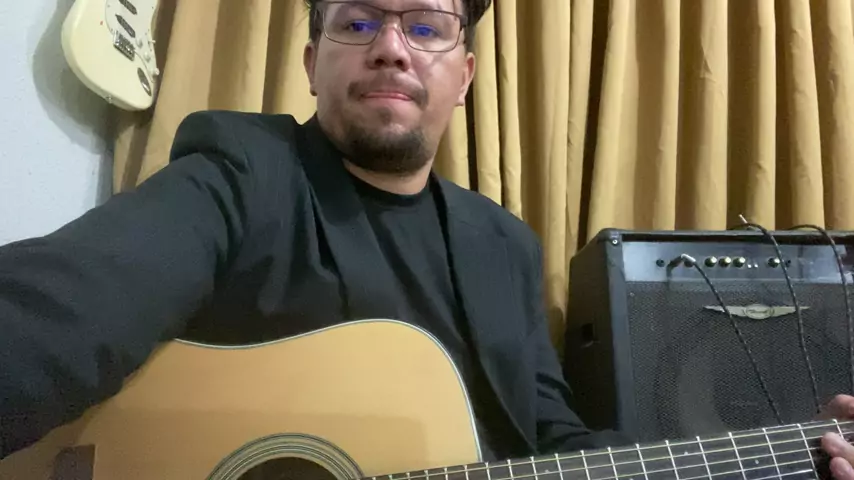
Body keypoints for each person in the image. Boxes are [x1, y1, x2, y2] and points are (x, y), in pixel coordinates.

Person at [2, 0, 854, 476]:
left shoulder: (505, 246)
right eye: (358, 23)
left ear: (465, 74)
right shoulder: (242, 169)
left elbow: (556, 444)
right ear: (311, 64)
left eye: (425, 26)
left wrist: (781, 457)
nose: (391, 48)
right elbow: (69, 302)